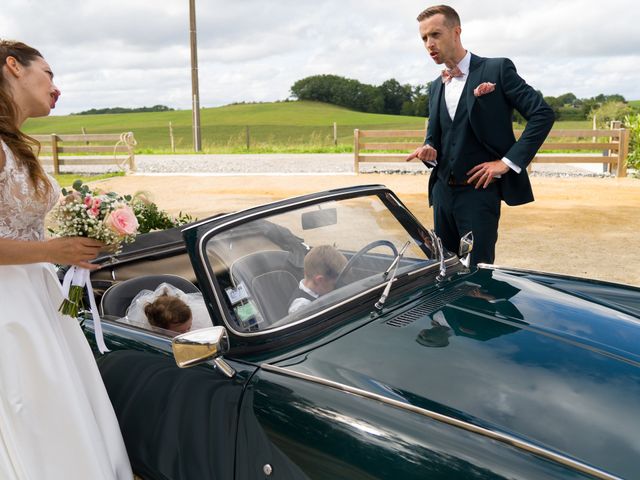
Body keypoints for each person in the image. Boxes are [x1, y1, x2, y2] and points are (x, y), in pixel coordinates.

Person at [0, 40, 132, 479]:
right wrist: (51, 251)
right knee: (29, 406)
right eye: (50, 74)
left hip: (41, 296)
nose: (57, 87)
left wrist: (91, 231)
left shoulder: (15, 145)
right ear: (14, 67)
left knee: (61, 401)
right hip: (9, 307)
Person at [406, 5, 555, 266]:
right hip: (442, 195)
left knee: (476, 273)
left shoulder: (496, 70)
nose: (429, 44)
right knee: (442, 269)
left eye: (435, 35)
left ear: (456, 32)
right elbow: (435, 138)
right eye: (424, 38)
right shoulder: (435, 86)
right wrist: (428, 151)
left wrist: (507, 163)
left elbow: (542, 114)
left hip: (478, 194)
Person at [125, 282, 211, 334]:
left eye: (189, 327)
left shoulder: (201, 321)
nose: (187, 333)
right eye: (180, 332)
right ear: (159, 329)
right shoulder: (146, 335)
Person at [288, 245, 347, 314]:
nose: (337, 287)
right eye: (334, 285)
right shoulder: (302, 307)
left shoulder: (320, 289)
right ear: (320, 280)